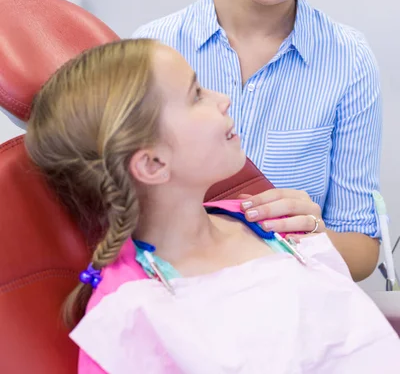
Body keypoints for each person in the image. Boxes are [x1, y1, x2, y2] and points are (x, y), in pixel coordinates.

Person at [24, 39, 398, 374]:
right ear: (153, 164)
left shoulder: (266, 217)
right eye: (196, 94)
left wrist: (318, 233)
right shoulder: (130, 314)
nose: (224, 98)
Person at [133, 0, 381, 281]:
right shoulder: (153, 51)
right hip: (178, 306)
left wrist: (313, 233)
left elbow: (363, 249)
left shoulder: (348, 62)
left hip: (293, 315)